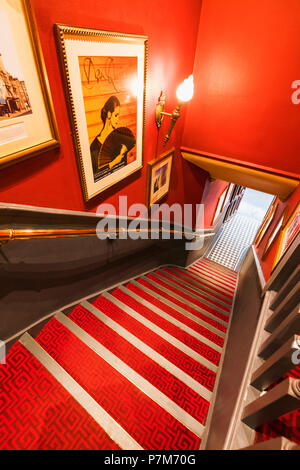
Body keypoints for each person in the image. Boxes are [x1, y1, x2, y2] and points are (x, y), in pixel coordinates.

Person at [90, 96, 135, 178]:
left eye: (119, 116)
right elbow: (96, 176)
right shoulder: (95, 147)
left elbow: (132, 143)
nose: (118, 120)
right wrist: (114, 162)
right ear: (109, 114)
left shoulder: (120, 138)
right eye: (116, 115)